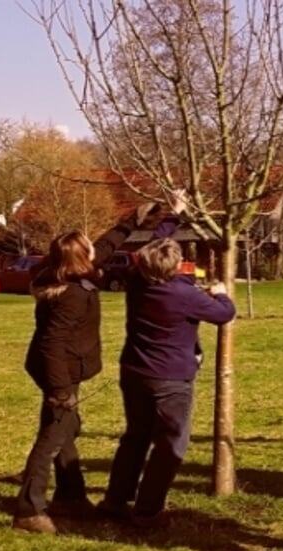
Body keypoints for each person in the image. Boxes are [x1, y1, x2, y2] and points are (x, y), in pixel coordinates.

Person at [13, 202, 164, 534]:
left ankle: (71, 495)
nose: (96, 247)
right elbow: (51, 343)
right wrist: (59, 391)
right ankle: (28, 509)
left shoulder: (61, 271)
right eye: (89, 245)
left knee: (66, 431)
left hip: (61, 369)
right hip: (59, 371)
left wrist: (132, 221)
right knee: (52, 436)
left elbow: (105, 246)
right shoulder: (72, 295)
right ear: (82, 256)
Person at [99, 215, 236, 528]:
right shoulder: (185, 296)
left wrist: (172, 217)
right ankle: (148, 511)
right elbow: (224, 314)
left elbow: (149, 250)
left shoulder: (137, 281)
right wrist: (221, 291)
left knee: (135, 436)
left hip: (134, 372)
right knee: (171, 444)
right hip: (170, 380)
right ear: (175, 267)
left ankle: (116, 500)